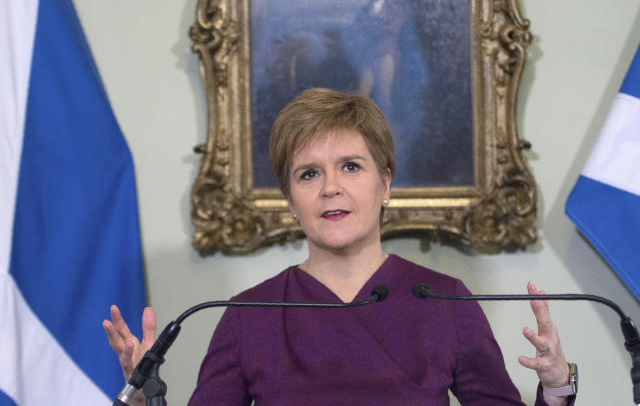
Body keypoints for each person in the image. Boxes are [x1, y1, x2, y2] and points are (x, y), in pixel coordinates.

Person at [104, 88, 576, 405]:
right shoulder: (250, 315)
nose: (331, 187)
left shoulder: (445, 301)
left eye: (351, 166)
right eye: (309, 174)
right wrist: (145, 397)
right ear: (290, 199)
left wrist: (556, 388)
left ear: (385, 183)